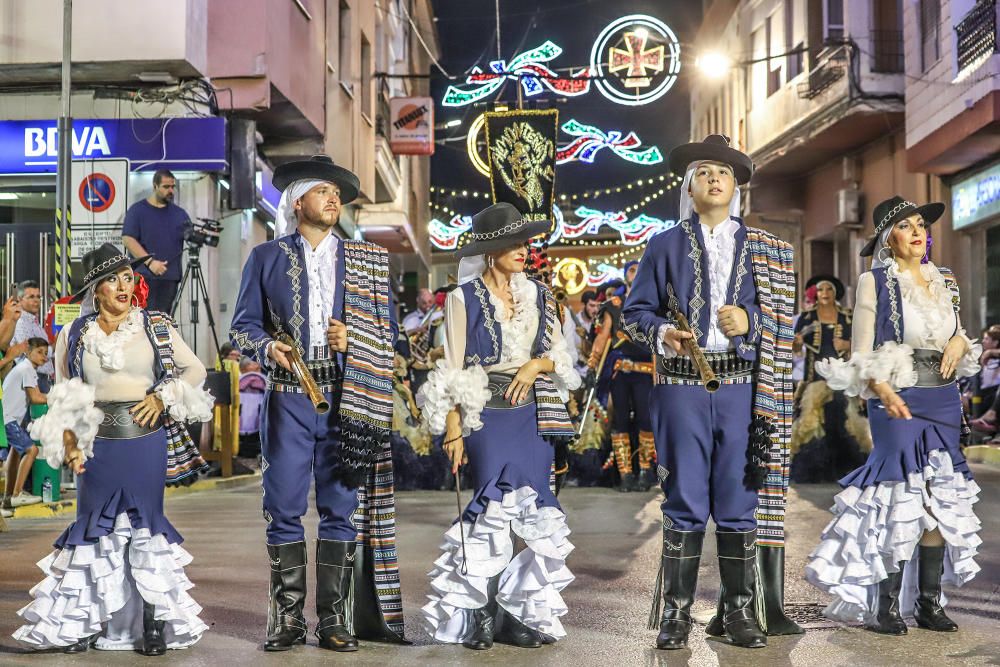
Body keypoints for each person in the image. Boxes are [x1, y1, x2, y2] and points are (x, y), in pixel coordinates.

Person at [622, 135, 801, 650]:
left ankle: (741, 613)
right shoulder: (662, 245)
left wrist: (753, 319)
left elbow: (785, 320)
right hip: (680, 386)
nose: (714, 179)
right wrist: (664, 333)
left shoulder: (765, 249)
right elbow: (636, 315)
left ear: (736, 187)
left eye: (722, 172)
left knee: (738, 495)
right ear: (690, 186)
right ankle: (675, 617)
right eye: (703, 172)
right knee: (683, 496)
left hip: (744, 388)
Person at [229, 155, 405, 652]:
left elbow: (390, 338)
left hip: (348, 396)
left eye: (337, 192)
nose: (334, 199)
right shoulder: (265, 258)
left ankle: (335, 620)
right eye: (323, 191)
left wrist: (357, 338)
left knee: (341, 508)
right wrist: (268, 348)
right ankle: (286, 621)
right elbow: (242, 327)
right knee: (282, 506)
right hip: (288, 398)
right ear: (297, 200)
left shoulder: (366, 260)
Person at [13, 243, 213, 654]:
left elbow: (195, 369)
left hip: (145, 441)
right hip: (96, 446)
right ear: (96, 290)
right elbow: (66, 395)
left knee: (146, 528)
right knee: (91, 530)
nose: (124, 287)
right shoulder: (74, 333)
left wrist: (161, 397)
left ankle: (151, 627)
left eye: (128, 278)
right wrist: (69, 444)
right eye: (112, 280)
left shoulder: (154, 324)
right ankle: (83, 623)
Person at [807, 196, 983, 635]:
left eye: (921, 224)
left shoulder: (944, 279)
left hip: (942, 398)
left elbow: (955, 333)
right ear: (890, 238)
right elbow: (863, 353)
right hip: (896, 394)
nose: (919, 232)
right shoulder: (875, 282)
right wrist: (882, 391)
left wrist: (960, 342)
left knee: (939, 499)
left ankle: (928, 603)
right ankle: (882, 606)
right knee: (898, 497)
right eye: (906, 226)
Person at [419, 202, 580, 651]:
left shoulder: (542, 297)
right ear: (491, 251)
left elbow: (563, 359)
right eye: (514, 243)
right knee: (490, 511)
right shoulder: (461, 298)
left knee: (532, 515)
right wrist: (452, 426)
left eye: (525, 242)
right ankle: (477, 614)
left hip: (534, 414)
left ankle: (513, 614)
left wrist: (535, 365)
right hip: (484, 414)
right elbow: (450, 367)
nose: (524, 250)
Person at [789, 275, 871, 482]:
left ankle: (850, 468)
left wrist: (846, 345)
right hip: (814, 375)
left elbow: (863, 342)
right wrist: (796, 343)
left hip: (843, 376)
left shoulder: (848, 316)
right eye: (821, 289)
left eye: (828, 289)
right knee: (811, 418)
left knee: (848, 417)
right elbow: (797, 349)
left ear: (835, 293)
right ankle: (812, 472)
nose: (824, 293)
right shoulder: (807, 317)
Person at [587, 260, 655, 492]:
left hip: (646, 371)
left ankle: (646, 471)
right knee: (620, 421)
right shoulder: (613, 305)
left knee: (646, 420)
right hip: (620, 372)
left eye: (639, 270)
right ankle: (625, 474)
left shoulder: (653, 303)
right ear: (625, 275)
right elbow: (603, 335)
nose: (636, 274)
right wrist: (593, 362)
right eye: (632, 270)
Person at [122, 169, 189, 313]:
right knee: (141, 321)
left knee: (162, 322)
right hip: (144, 276)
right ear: (155, 186)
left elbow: (190, 236)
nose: (170, 190)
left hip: (169, 277)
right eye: (166, 187)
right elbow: (128, 239)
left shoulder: (180, 214)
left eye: (172, 187)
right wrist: (151, 263)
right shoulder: (138, 211)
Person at [1, 338, 49, 510]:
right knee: (32, 450)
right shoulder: (26, 368)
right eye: (39, 352)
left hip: (9, 418)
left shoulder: (25, 367)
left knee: (15, 453)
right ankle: (17, 494)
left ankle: (7, 500)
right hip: (9, 419)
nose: (44, 357)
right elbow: (36, 398)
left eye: (46, 353)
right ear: (28, 351)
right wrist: (59, 398)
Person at [11, 280, 54, 390]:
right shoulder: (20, 322)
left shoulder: (34, 322)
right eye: (31, 297)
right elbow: (32, 352)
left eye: (38, 297)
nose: (36, 300)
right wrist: (54, 346)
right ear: (20, 300)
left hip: (41, 378)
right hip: (32, 379)